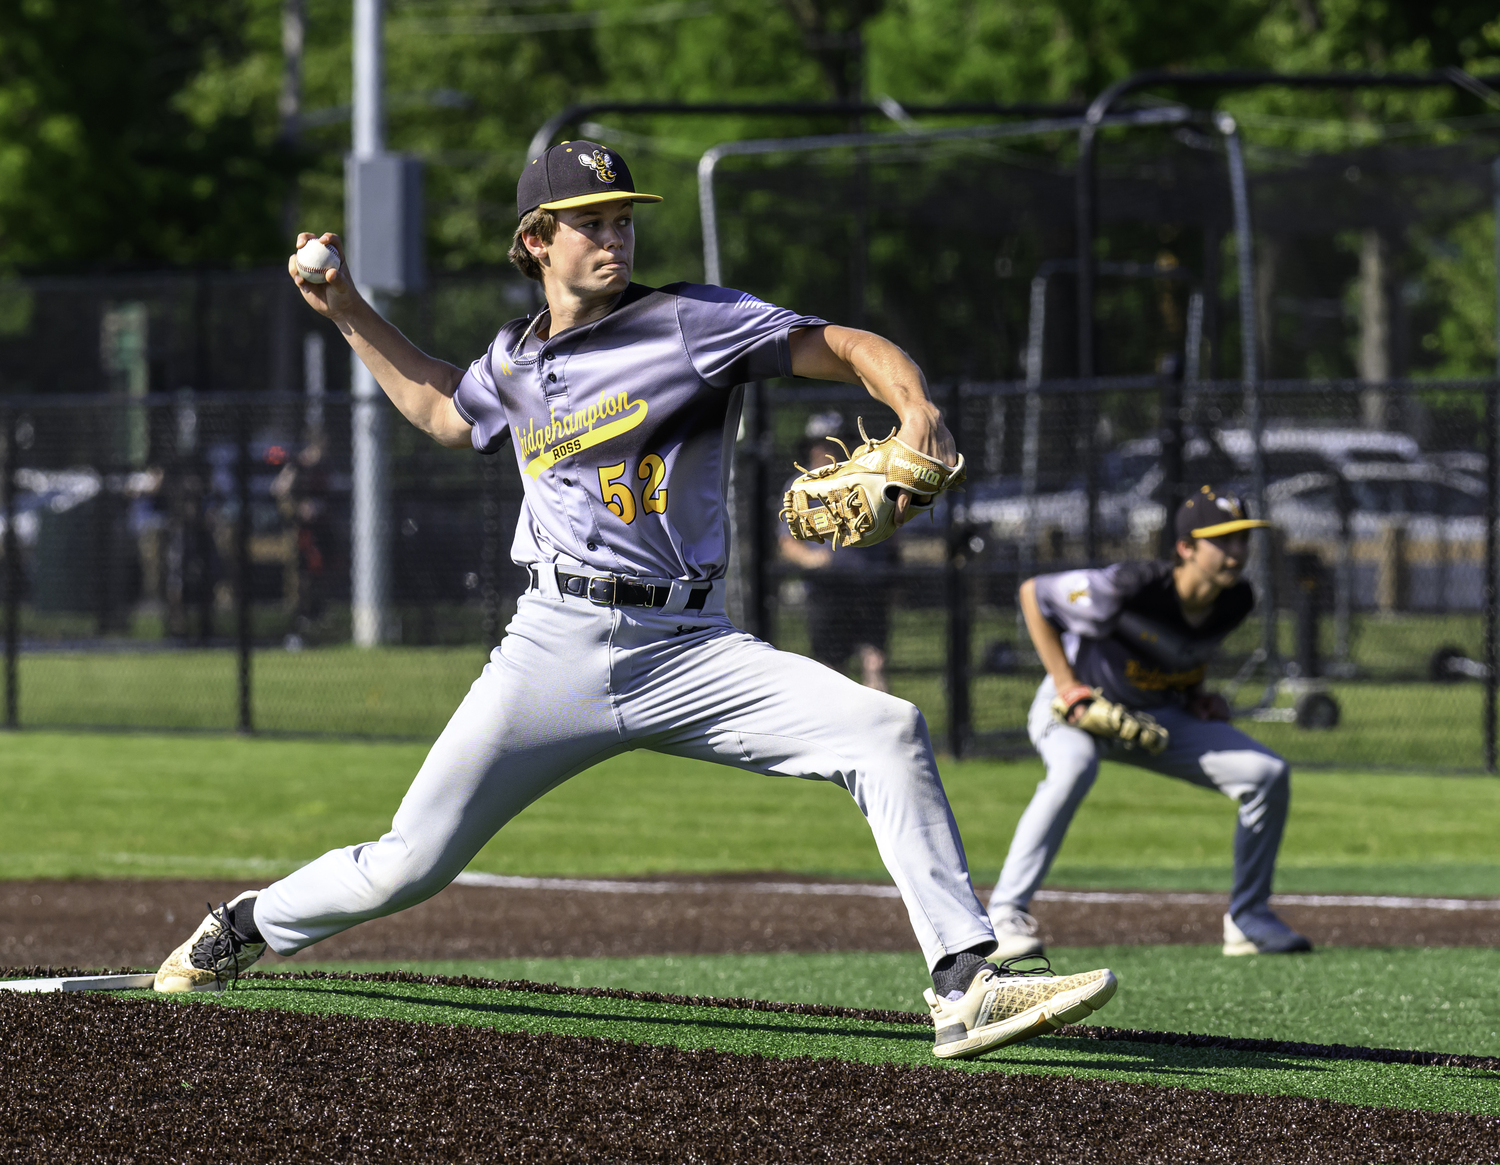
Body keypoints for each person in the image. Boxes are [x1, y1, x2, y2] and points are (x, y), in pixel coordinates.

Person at [151, 140, 1117, 1059]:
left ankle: (961, 985)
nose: (614, 238)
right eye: (589, 222)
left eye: (622, 220)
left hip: (691, 646)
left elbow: (848, 343)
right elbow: (447, 411)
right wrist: (347, 308)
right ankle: (245, 925)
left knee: (887, 730)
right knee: (414, 862)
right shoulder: (517, 362)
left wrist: (915, 408)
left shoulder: (693, 322)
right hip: (552, 648)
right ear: (537, 240)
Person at [988, 487, 1312, 959]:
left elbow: (1187, 651)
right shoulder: (1130, 585)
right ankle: (1003, 915)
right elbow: (1034, 594)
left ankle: (1248, 918)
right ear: (1186, 547)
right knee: (1074, 769)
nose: (1237, 551)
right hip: (1076, 708)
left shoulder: (1237, 599)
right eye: (1223, 540)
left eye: (1242, 538)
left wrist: (1196, 695)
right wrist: (1067, 685)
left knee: (1267, 774)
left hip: (1155, 716)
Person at [778, 416, 894, 691]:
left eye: (831, 445)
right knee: (831, 667)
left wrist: (892, 570)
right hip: (828, 589)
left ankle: (878, 727)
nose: (823, 452)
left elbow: (893, 529)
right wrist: (814, 560)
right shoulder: (799, 487)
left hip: (869, 585)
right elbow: (786, 542)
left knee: (874, 660)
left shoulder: (867, 479)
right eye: (817, 445)